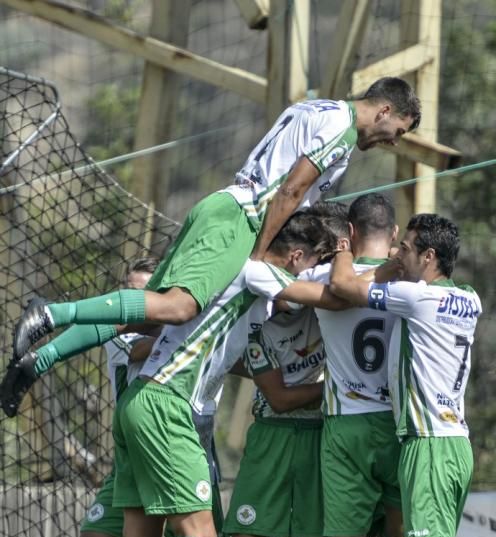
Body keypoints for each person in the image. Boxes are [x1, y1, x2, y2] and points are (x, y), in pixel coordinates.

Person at [67, 211, 340, 537]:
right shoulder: (257, 271)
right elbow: (330, 293)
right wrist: (350, 259)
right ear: (296, 257)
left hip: (138, 401)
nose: (307, 271)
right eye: (310, 261)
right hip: (171, 404)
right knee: (201, 533)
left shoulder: (221, 267)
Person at [11, 77, 421, 363]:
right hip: (239, 221)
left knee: (147, 314)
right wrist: (259, 255)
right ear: (384, 110)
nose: (393, 141)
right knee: (177, 307)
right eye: (398, 131)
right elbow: (291, 190)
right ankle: (51, 314)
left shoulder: (317, 108)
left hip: (224, 207)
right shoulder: (343, 129)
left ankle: (41, 359)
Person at [15, 259, 231, 537]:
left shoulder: (185, 320)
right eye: (131, 295)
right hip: (137, 450)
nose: (138, 306)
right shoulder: (129, 329)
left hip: (188, 448)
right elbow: (138, 343)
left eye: (145, 296)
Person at [329, 213, 481, 537]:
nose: (399, 253)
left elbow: (345, 287)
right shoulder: (469, 299)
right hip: (456, 442)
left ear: (428, 258)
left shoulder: (419, 297)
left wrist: (342, 245)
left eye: (407, 247)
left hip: (428, 443)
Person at [215, 204, 350, 537]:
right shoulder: (254, 321)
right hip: (270, 439)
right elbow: (279, 396)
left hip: (318, 441)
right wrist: (336, 385)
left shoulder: (327, 306)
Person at [298, 194, 424, 537]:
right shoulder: (413, 282)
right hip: (400, 425)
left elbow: (280, 299)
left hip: (345, 428)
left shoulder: (329, 278)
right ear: (395, 237)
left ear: (349, 230)